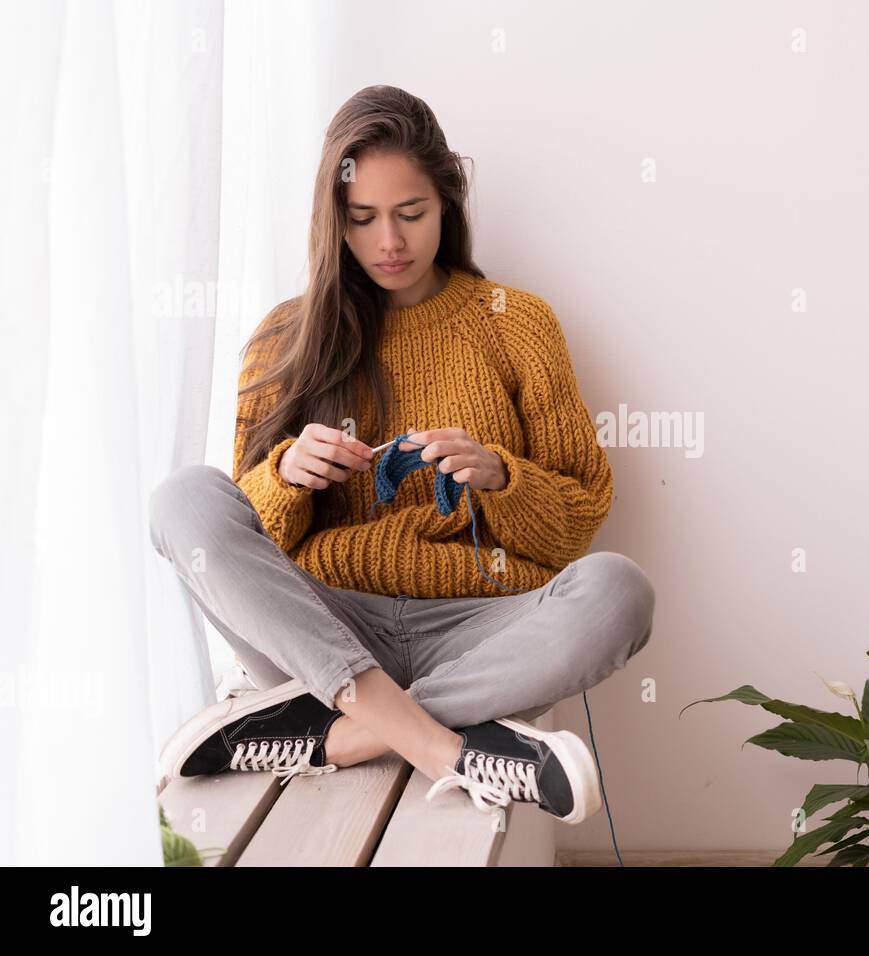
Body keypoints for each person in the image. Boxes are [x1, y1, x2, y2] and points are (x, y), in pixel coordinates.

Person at [149, 85, 655, 827]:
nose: (390, 241)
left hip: (482, 631)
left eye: (411, 214)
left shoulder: (518, 325)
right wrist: (287, 477)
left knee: (622, 591)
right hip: (328, 634)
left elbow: (579, 521)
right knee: (181, 498)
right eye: (363, 219)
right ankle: (447, 742)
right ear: (335, 222)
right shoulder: (283, 339)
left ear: (447, 204)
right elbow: (242, 548)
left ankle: (334, 738)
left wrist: (502, 478)